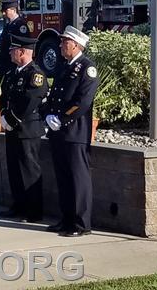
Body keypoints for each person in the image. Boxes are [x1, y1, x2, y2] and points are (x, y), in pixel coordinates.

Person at [41, 26, 99, 237]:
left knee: (78, 179)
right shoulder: (64, 66)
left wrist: (62, 118)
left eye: (64, 41)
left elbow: (82, 101)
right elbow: (55, 95)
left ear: (76, 45)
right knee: (63, 177)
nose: (60, 44)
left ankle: (81, 224)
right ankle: (66, 219)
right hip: (58, 132)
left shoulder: (86, 68)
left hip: (75, 132)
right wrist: (48, 114)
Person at [0, 34, 47, 223]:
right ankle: (18, 206)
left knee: (29, 170)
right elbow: (5, 97)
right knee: (14, 169)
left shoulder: (35, 74)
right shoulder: (13, 73)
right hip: (12, 128)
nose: (10, 53)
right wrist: (3, 114)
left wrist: (12, 118)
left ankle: (33, 212)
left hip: (27, 129)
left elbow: (31, 100)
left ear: (22, 52)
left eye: (13, 50)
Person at [0, 0, 30, 78]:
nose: (3, 13)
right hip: (5, 63)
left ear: (14, 10)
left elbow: (22, 45)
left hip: (13, 62)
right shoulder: (8, 25)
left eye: (6, 11)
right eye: (3, 11)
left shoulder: (20, 25)